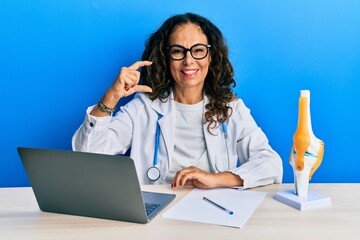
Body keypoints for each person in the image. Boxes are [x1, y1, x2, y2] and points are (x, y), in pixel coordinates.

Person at [72, 13, 283, 189]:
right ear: (166, 57)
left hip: (216, 209)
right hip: (158, 212)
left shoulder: (231, 109)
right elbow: (88, 155)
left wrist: (215, 179)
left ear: (211, 56)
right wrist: (112, 96)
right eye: (178, 51)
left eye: (198, 50)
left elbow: (271, 164)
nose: (188, 60)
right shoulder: (144, 107)